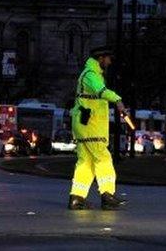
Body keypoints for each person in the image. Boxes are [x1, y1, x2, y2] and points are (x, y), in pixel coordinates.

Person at [68, 46, 128, 210]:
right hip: (91, 126)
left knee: (85, 162)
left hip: (85, 124)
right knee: (103, 158)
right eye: (108, 59)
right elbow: (101, 92)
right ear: (101, 58)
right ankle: (107, 195)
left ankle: (77, 198)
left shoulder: (90, 75)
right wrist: (118, 100)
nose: (109, 62)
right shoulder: (91, 75)